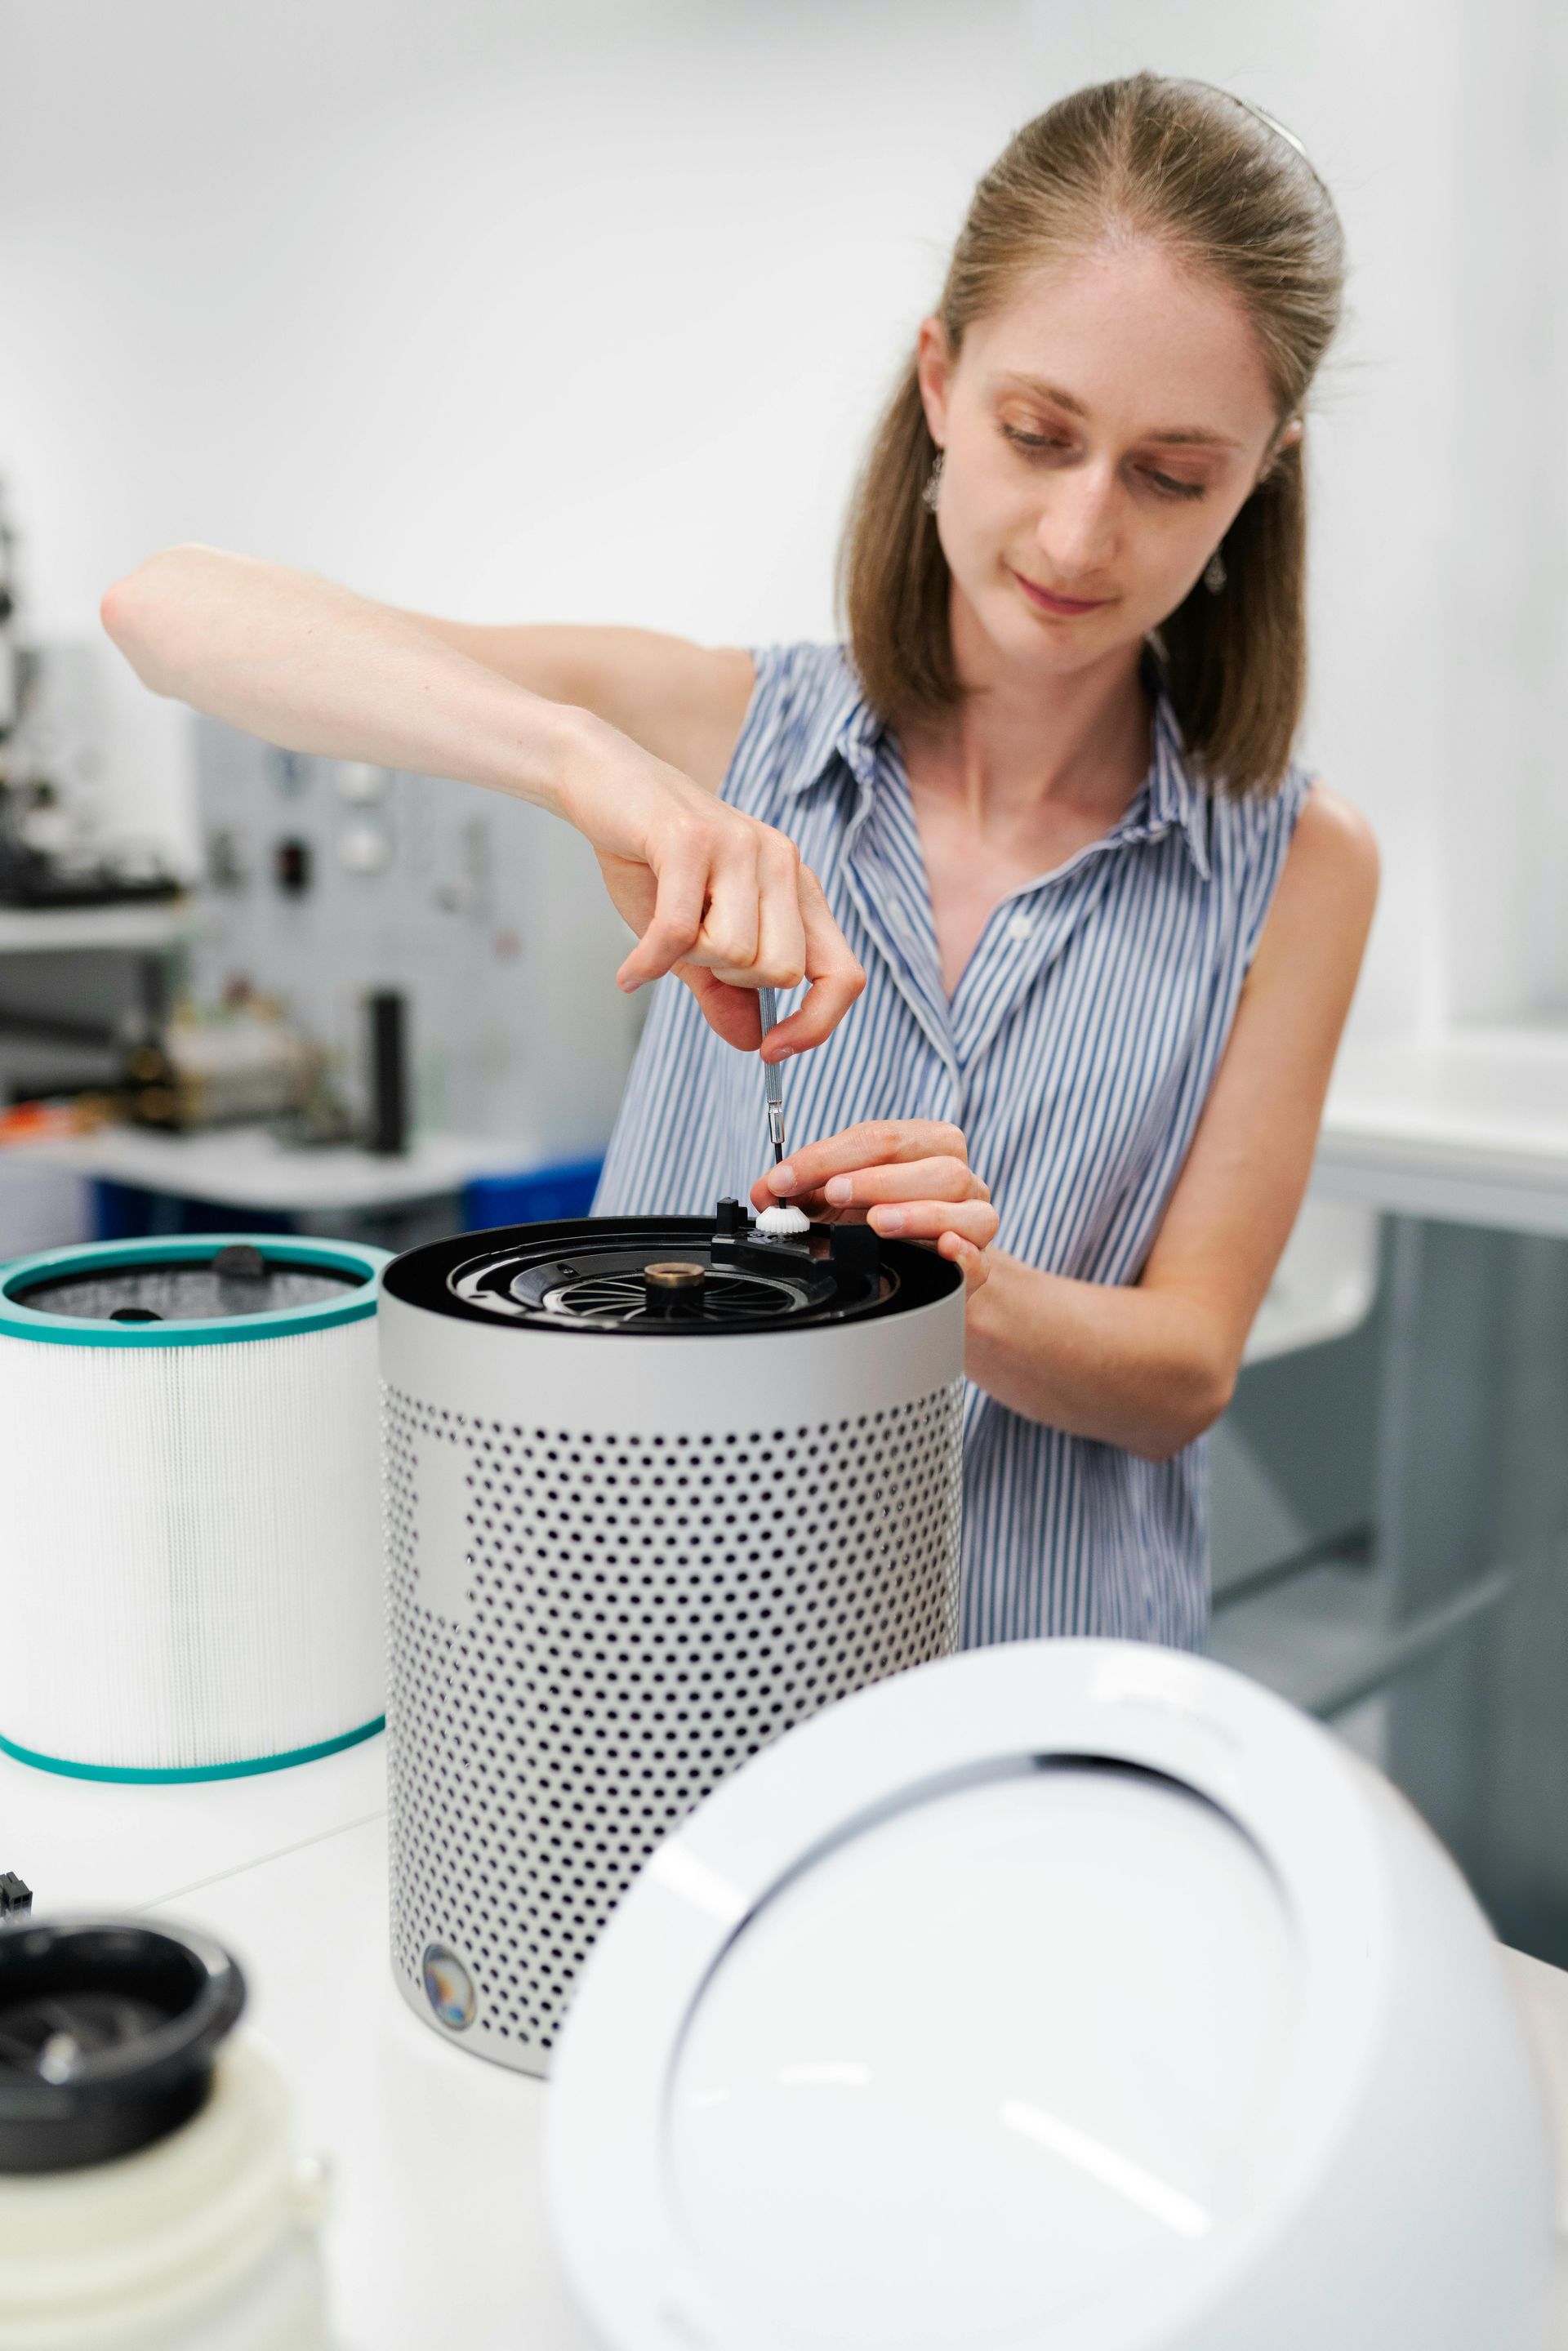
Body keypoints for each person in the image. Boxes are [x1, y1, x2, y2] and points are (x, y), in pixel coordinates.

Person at [103, 73, 1376, 1653]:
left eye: (1172, 475)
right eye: (1036, 434)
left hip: (1033, 1708)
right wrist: (585, 764)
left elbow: (1183, 1376)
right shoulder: (724, 722)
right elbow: (168, 611)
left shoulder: (1299, 862)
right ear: (938, 378)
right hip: (644, 1660)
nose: (1074, 536)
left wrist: (952, 1292)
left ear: (1262, 476)